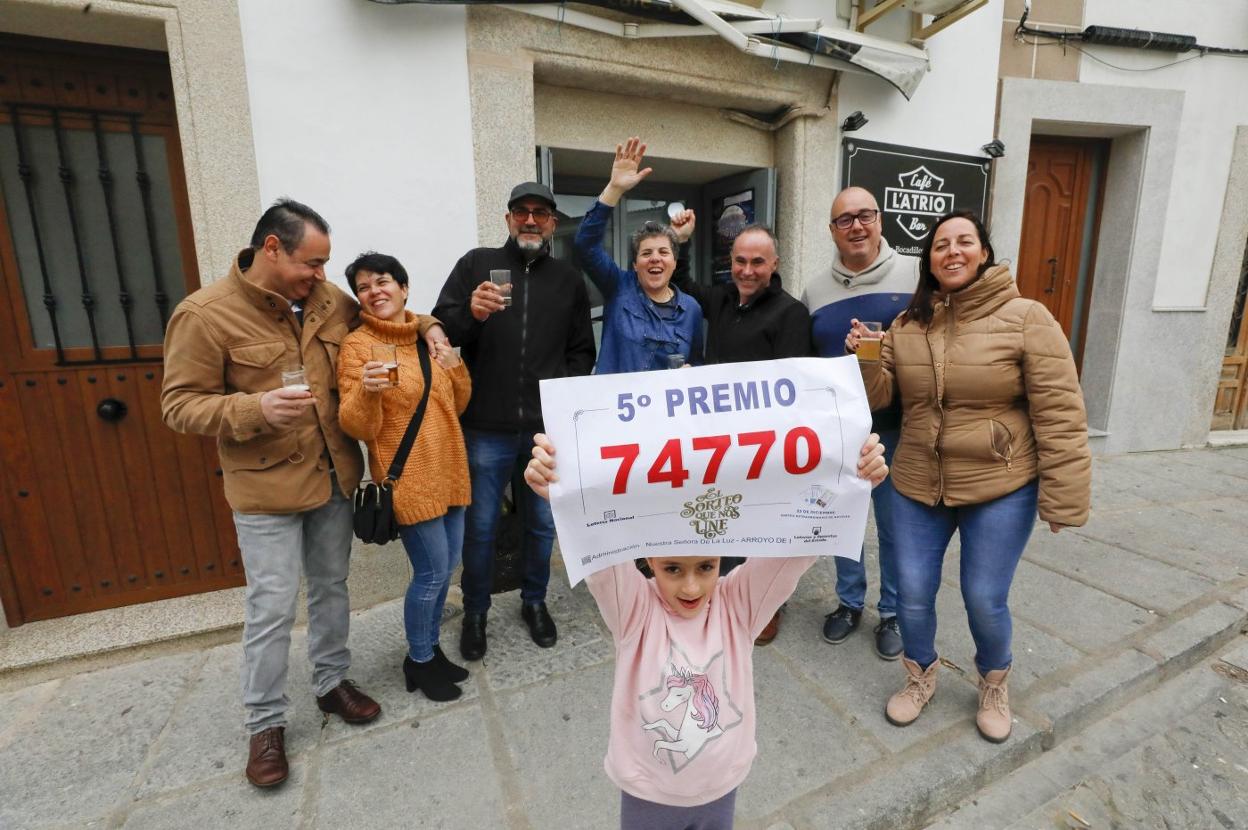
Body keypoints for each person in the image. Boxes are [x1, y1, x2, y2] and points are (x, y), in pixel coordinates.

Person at [161, 200, 438, 787]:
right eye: (312, 262)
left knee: (333, 588)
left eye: (325, 264)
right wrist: (252, 407)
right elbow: (179, 405)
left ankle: (332, 682)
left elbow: (392, 313)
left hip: (335, 479)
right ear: (271, 249)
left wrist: (434, 328)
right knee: (272, 607)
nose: (322, 274)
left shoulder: (328, 300)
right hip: (265, 491)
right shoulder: (204, 315)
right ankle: (265, 723)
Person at [524, 432, 889, 829]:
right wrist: (558, 491)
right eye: (673, 569)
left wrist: (851, 484)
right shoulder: (633, 611)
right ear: (649, 560)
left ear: (721, 559)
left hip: (720, 791)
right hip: (648, 794)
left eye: (706, 567)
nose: (692, 587)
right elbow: (597, 552)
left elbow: (795, 550)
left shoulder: (738, 606)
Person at [850, 210, 1090, 743]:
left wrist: (1063, 499)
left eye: (964, 242)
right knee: (911, 591)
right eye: (941, 245)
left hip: (1000, 484)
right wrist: (868, 351)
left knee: (984, 595)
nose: (952, 252)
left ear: (984, 252)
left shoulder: (1027, 316)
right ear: (928, 261)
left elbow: (1060, 411)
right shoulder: (909, 324)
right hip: (916, 481)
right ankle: (920, 675)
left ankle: (993, 682)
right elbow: (880, 397)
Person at [432, 181, 596, 661]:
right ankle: (477, 611)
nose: (530, 220)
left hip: (546, 429)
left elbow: (582, 349)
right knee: (480, 526)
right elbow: (444, 331)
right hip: (485, 424)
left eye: (540, 214)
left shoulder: (567, 279)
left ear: (551, 223)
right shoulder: (475, 264)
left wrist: (556, 395)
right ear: (507, 219)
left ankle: (534, 601)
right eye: (521, 212)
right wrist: (472, 313)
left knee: (542, 525)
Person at [666, 187, 812, 645]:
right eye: (740, 262)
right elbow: (686, 286)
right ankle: (724, 596)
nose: (747, 271)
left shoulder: (791, 314)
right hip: (717, 440)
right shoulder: (726, 299)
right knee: (724, 521)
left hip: (762, 445)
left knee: (763, 528)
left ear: (774, 265)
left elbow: (791, 392)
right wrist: (682, 242)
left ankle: (766, 607)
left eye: (757, 263)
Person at [337, 252, 472, 702]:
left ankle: (430, 650)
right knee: (432, 573)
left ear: (404, 287)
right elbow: (358, 426)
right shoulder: (357, 347)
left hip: (449, 466)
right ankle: (417, 660)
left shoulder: (425, 334)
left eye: (383, 281)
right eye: (363, 287)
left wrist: (452, 360)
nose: (375, 291)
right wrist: (366, 392)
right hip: (408, 476)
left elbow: (458, 401)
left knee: (447, 567)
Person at [801, 186, 920, 660]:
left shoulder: (915, 273)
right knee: (843, 522)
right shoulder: (815, 288)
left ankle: (891, 611)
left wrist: (882, 347)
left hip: (896, 427)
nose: (855, 226)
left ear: (880, 220)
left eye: (864, 216)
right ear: (832, 231)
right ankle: (849, 602)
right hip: (838, 432)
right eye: (844, 220)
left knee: (894, 528)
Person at [572, 137, 703, 373]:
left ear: (674, 262)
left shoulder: (691, 308)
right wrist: (614, 189)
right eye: (646, 253)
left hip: (663, 409)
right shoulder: (618, 287)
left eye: (664, 252)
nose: (655, 258)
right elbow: (585, 245)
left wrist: (691, 373)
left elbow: (697, 363)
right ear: (635, 264)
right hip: (617, 408)